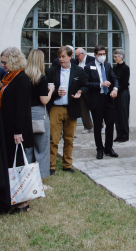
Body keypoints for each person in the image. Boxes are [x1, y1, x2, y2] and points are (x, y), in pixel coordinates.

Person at [0, 47, 34, 213]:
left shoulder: (21, 78)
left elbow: (21, 108)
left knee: (19, 166)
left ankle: (23, 203)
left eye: (4, 62)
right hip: (9, 129)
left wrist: (18, 132)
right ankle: (15, 198)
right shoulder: (10, 78)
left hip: (17, 131)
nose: (2, 65)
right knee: (12, 164)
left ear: (14, 61)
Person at [46, 46, 88, 174]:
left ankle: (67, 164)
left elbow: (86, 85)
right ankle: (51, 166)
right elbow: (45, 90)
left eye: (63, 56)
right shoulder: (51, 71)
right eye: (59, 57)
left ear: (70, 57)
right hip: (55, 108)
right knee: (53, 139)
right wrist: (55, 93)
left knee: (69, 139)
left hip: (72, 108)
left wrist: (80, 92)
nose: (61, 59)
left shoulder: (79, 71)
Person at [25, 49, 54, 185]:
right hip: (38, 114)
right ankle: (40, 181)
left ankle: (28, 179)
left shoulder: (23, 77)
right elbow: (44, 100)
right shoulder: (41, 78)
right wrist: (51, 91)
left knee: (28, 148)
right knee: (42, 148)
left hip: (25, 114)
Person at [84, 45, 119, 160]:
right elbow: (86, 84)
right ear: (95, 55)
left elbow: (114, 79)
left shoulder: (108, 65)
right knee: (98, 126)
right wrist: (100, 85)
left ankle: (109, 148)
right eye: (100, 54)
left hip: (108, 99)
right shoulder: (88, 67)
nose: (102, 56)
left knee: (110, 124)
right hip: (96, 99)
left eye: (104, 54)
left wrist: (115, 89)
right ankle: (99, 149)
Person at [75, 48, 95, 134]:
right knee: (83, 108)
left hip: (90, 87)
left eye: (77, 55)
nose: (76, 57)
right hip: (80, 88)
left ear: (82, 54)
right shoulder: (76, 62)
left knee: (94, 107)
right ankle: (88, 126)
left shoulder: (92, 60)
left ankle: (100, 125)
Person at [113, 49, 130, 143]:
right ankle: (119, 134)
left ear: (121, 57)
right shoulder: (114, 68)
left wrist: (116, 90)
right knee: (116, 114)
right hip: (116, 93)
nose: (115, 58)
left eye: (116, 56)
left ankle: (125, 134)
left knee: (123, 114)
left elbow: (125, 82)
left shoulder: (126, 68)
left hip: (123, 93)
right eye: (114, 57)